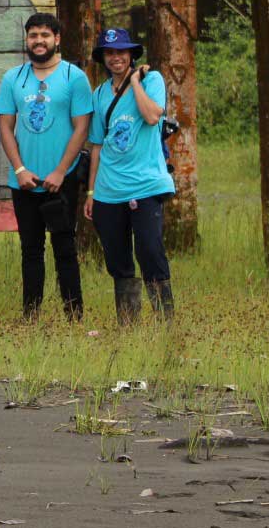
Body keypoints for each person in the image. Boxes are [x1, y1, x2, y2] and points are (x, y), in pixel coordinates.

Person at [0, 13, 92, 319]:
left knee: (65, 248)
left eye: (44, 35)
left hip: (61, 179)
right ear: (27, 40)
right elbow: (5, 128)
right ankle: (31, 315)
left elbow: (81, 128)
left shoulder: (73, 77)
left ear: (57, 38)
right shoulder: (14, 78)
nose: (38, 41)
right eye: (33, 35)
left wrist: (61, 171)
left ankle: (74, 314)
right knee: (30, 251)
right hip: (24, 181)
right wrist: (20, 169)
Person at [84, 27, 174, 323]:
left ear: (132, 54)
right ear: (103, 58)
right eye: (109, 53)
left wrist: (135, 82)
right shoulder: (98, 94)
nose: (115, 57)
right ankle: (129, 325)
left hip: (146, 185)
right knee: (117, 260)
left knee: (149, 251)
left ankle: (165, 322)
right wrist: (91, 192)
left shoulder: (152, 80)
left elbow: (151, 116)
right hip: (109, 189)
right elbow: (97, 145)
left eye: (121, 51)